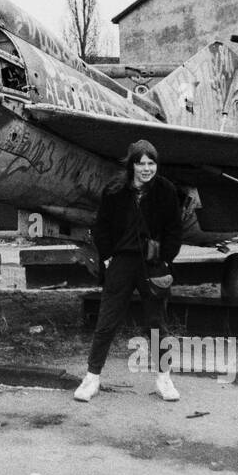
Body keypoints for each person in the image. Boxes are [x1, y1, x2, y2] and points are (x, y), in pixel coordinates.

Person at [75, 139, 183, 403]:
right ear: (132, 164)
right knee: (106, 321)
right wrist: (109, 256)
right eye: (141, 163)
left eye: (151, 163)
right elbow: (101, 226)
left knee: (157, 322)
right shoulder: (114, 191)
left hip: (153, 263)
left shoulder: (166, 191)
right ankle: (92, 378)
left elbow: (174, 229)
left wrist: (166, 259)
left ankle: (163, 378)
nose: (147, 169)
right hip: (122, 261)